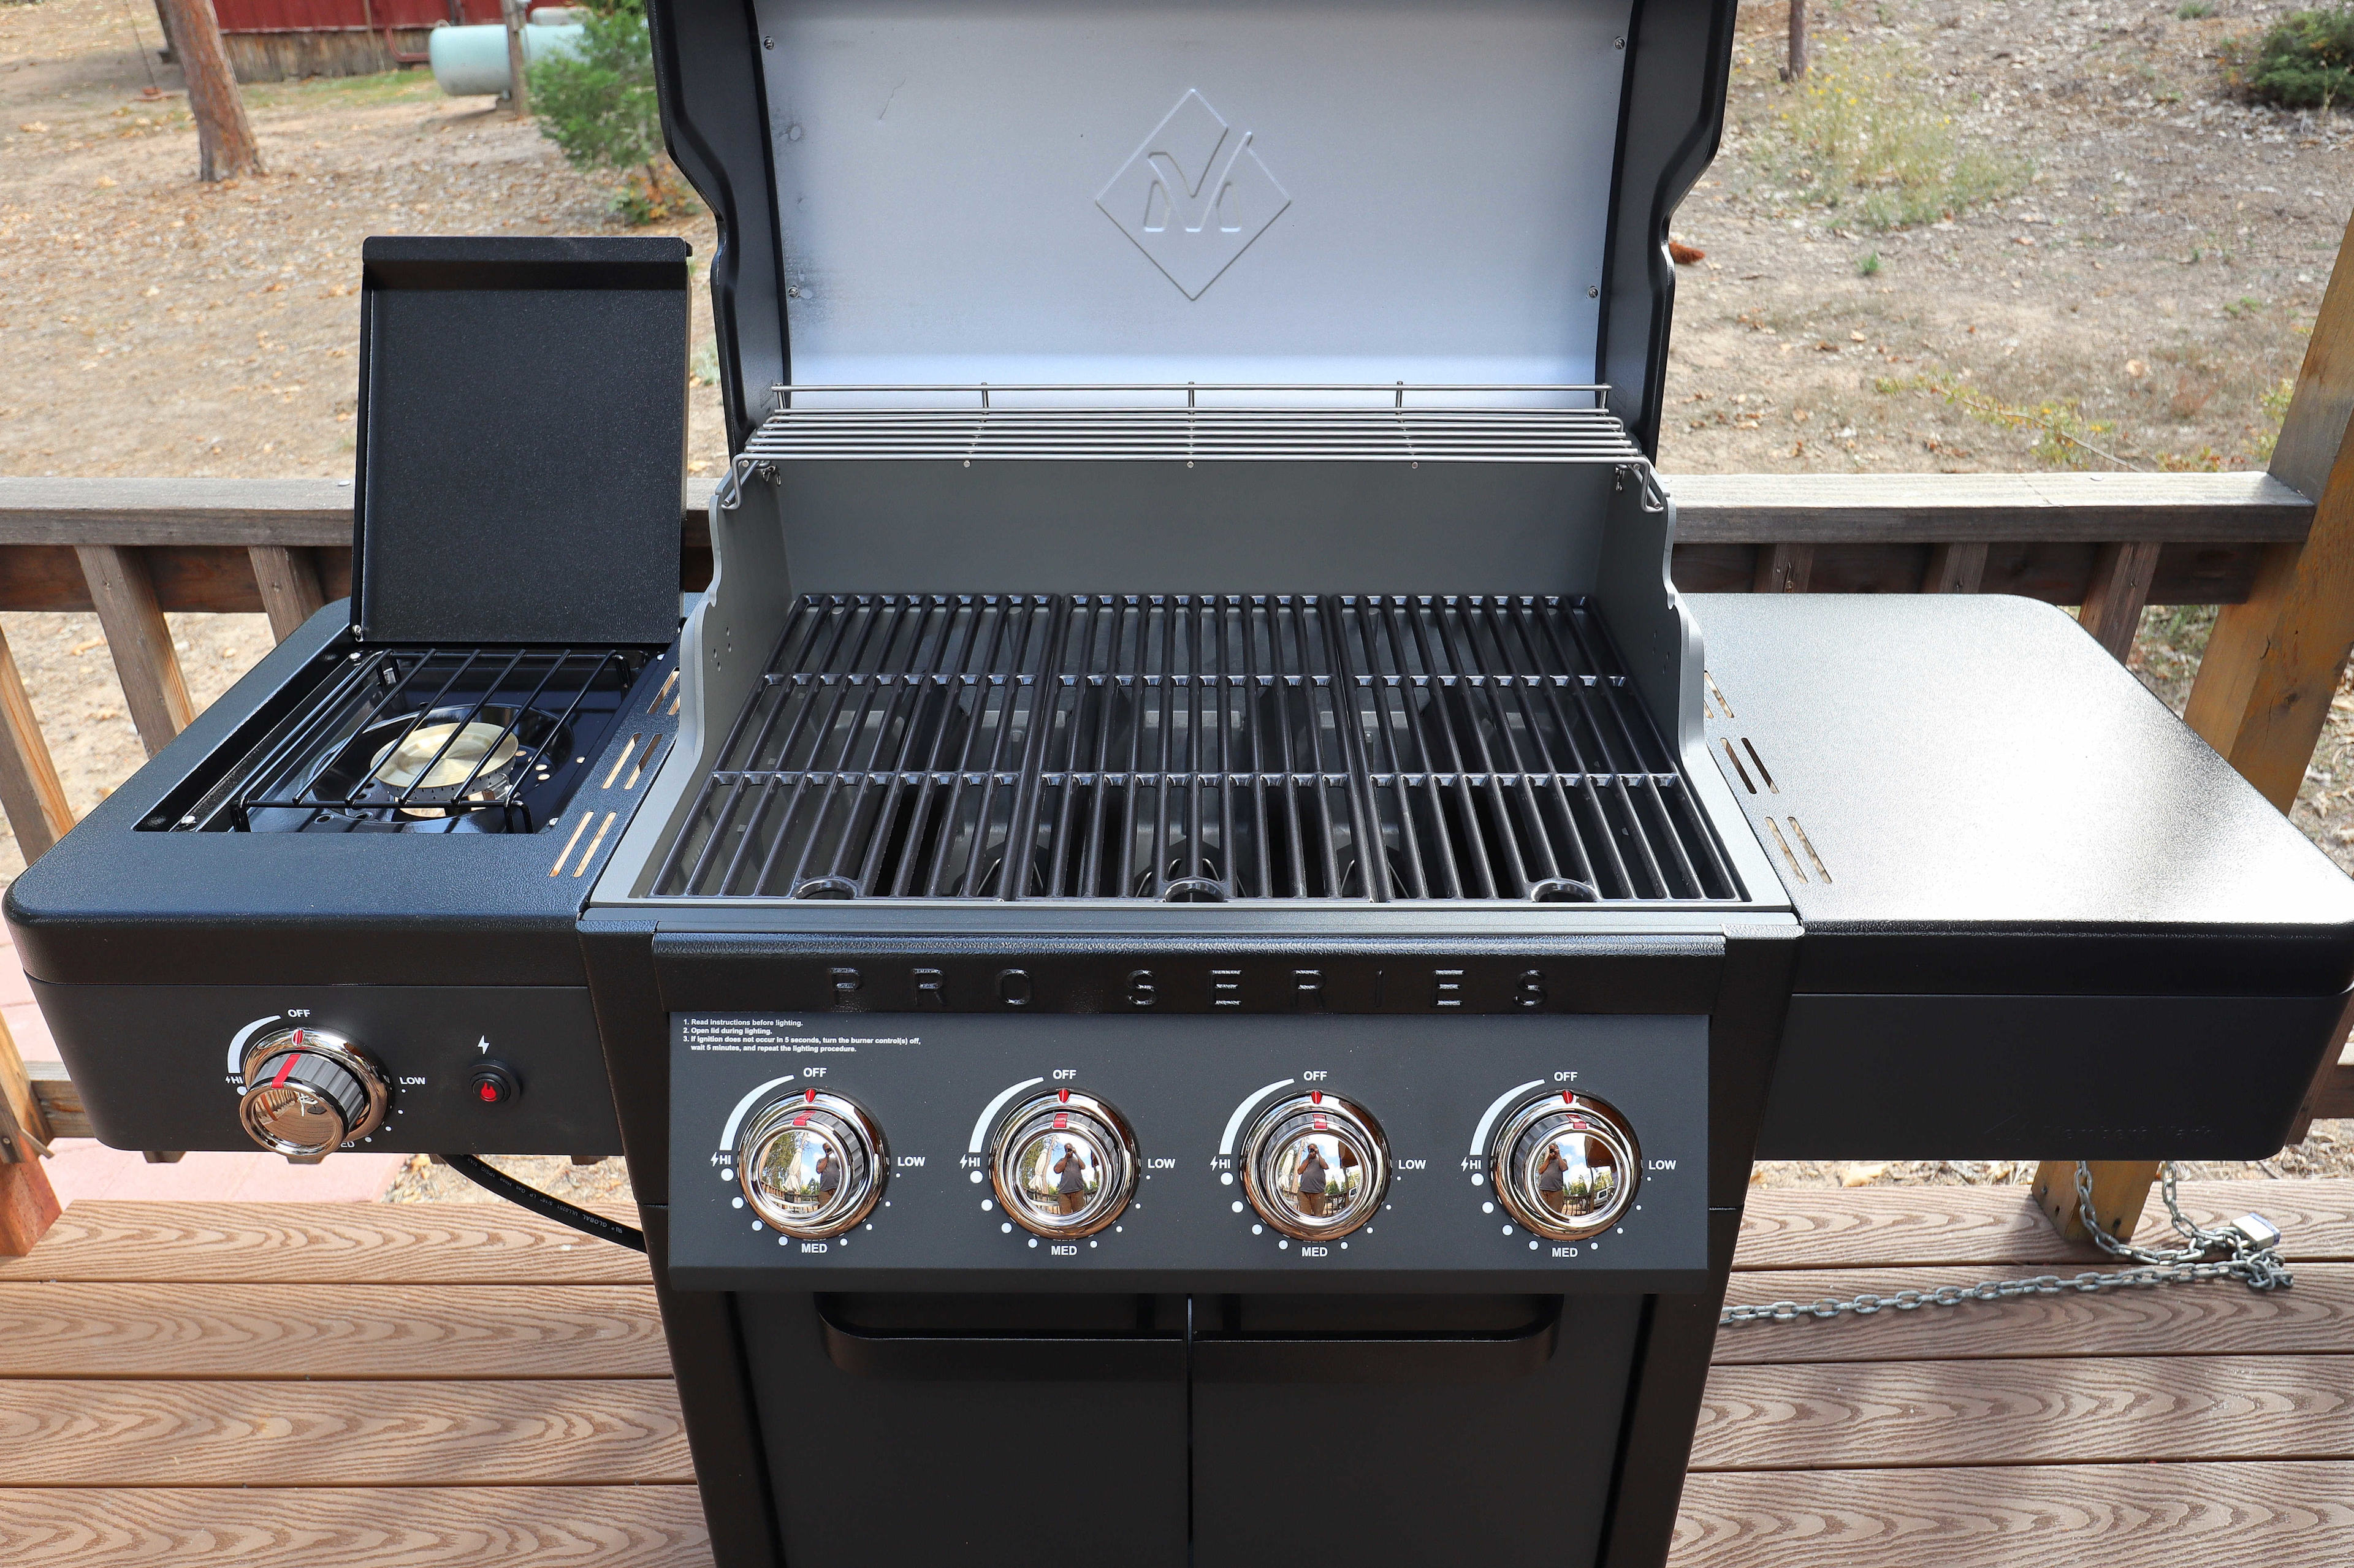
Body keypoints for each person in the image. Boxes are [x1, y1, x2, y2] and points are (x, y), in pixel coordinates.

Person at [1053, 1141, 1088, 1215]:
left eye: (1070, 1149)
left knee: (1080, 1215)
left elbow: (1083, 1167)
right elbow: (1057, 1170)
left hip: (1078, 1190)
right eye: (1067, 1149)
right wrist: (1066, 1157)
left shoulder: (1076, 1160)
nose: (1069, 1151)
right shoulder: (1062, 1160)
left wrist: (1076, 1154)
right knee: (1065, 1216)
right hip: (1064, 1192)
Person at [1296, 1141, 1329, 1218]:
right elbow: (1299, 1171)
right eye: (1310, 1150)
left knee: (1318, 1216)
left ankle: (1317, 1230)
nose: (1312, 1151)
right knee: (1304, 1216)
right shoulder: (1306, 1161)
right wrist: (1308, 1158)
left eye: (1313, 1149)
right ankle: (1305, 1230)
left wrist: (1319, 1154)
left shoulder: (1320, 1160)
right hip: (1304, 1192)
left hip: (1318, 1192)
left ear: (1316, 1149)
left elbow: (1325, 1167)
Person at [1535, 1141, 1568, 1215]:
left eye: (1554, 1149)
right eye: (1551, 1150)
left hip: (1556, 1192)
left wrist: (1558, 1156)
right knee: (1542, 1213)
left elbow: (1564, 1168)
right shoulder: (1547, 1161)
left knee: (1555, 1215)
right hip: (1542, 1191)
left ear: (1558, 1149)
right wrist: (1548, 1159)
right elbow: (1540, 1171)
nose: (1553, 1151)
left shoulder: (1562, 1161)